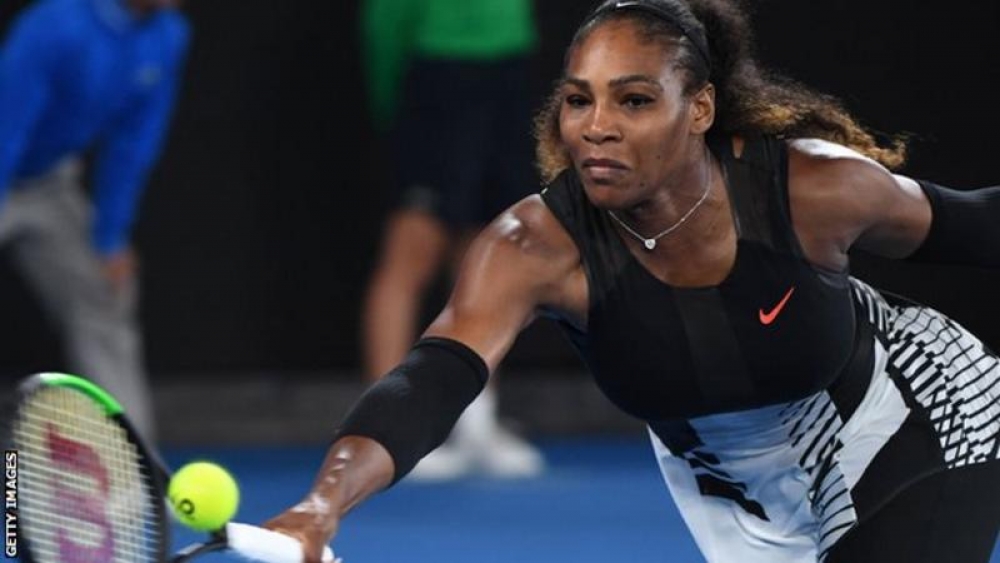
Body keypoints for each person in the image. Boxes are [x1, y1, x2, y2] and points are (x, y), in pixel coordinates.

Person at [268, 0, 1000, 560]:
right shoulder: (535, 246)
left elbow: (973, 224)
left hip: (916, 417)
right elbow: (429, 381)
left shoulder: (812, 189)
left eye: (635, 100)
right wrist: (322, 504)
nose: (597, 126)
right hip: (744, 498)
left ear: (699, 109)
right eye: (579, 99)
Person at [360, 0, 545, 479]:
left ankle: (476, 422)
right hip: (436, 68)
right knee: (412, 252)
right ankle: (385, 432)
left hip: (508, 63)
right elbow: (384, 19)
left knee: (491, 250)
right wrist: (396, 102)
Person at [0, 0, 190, 440]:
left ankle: (130, 458)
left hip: (50, 183)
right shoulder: (55, 25)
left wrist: (110, 239)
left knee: (106, 290)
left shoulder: (169, 34)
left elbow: (133, 144)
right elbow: (7, 125)